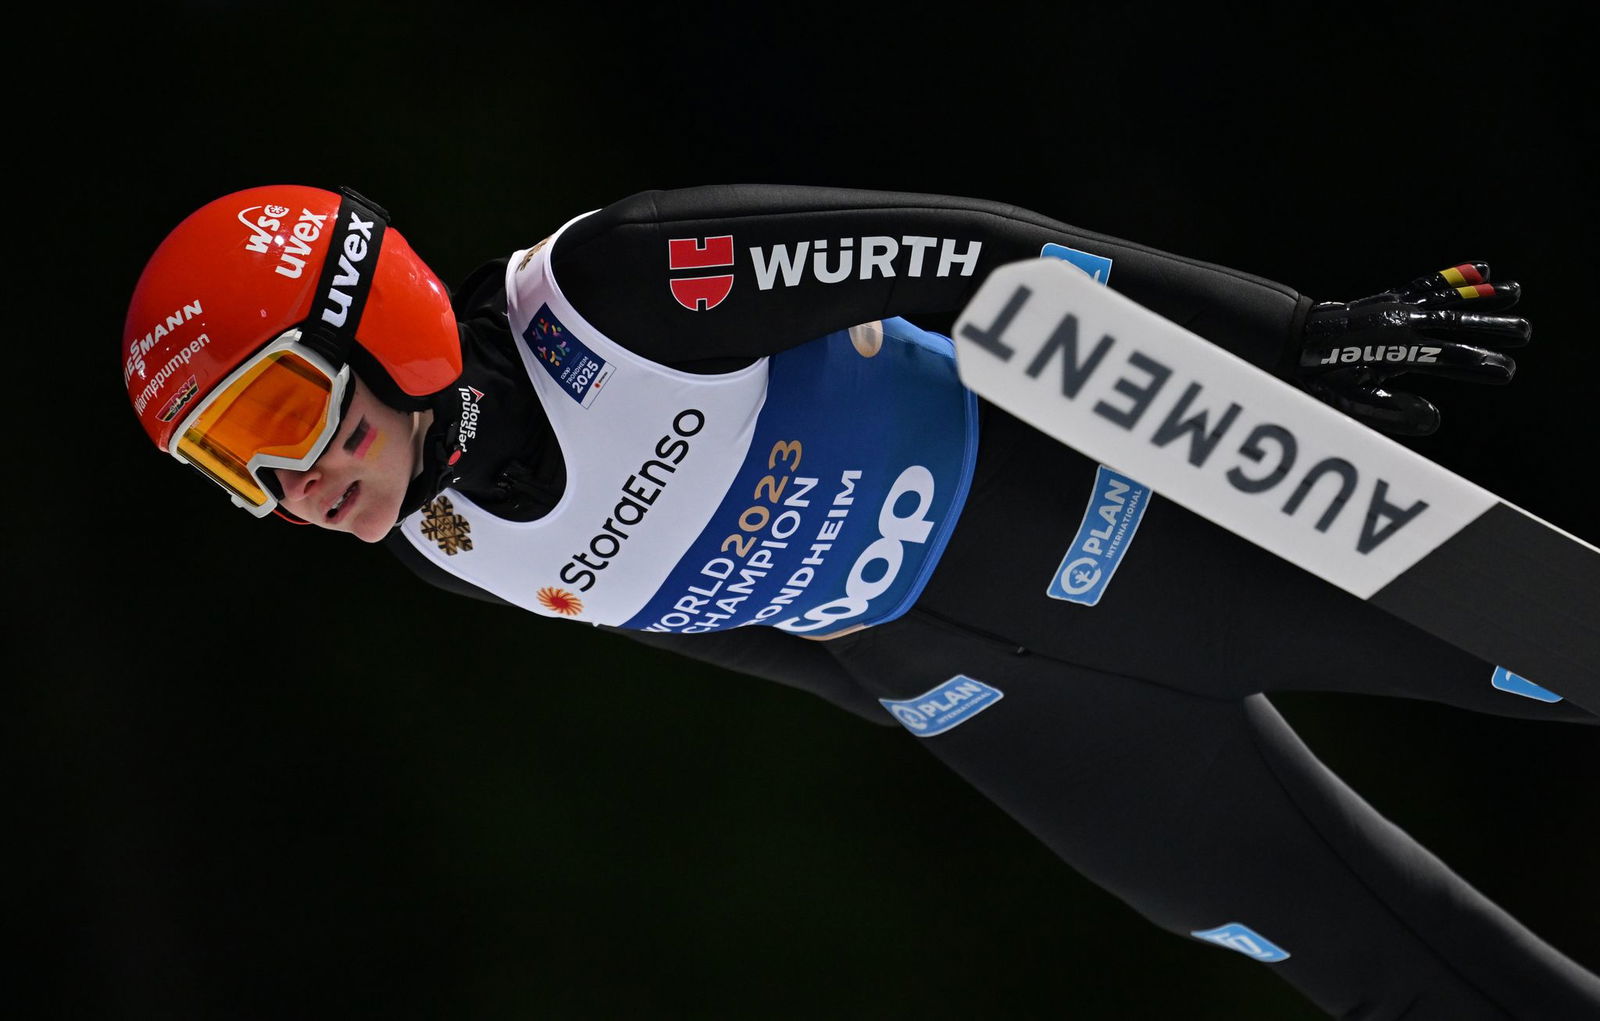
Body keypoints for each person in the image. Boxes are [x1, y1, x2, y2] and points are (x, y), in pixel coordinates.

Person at [122, 183, 1599, 1018]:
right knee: (1394, 976)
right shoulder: (437, 537)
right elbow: (730, 633)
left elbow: (978, 259)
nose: (292, 485)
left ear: (372, 318)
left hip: (1122, 513)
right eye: (233, 464)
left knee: (1568, 638)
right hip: (1018, 711)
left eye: (281, 415)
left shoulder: (617, 290)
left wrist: (1288, 339)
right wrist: (926, 703)